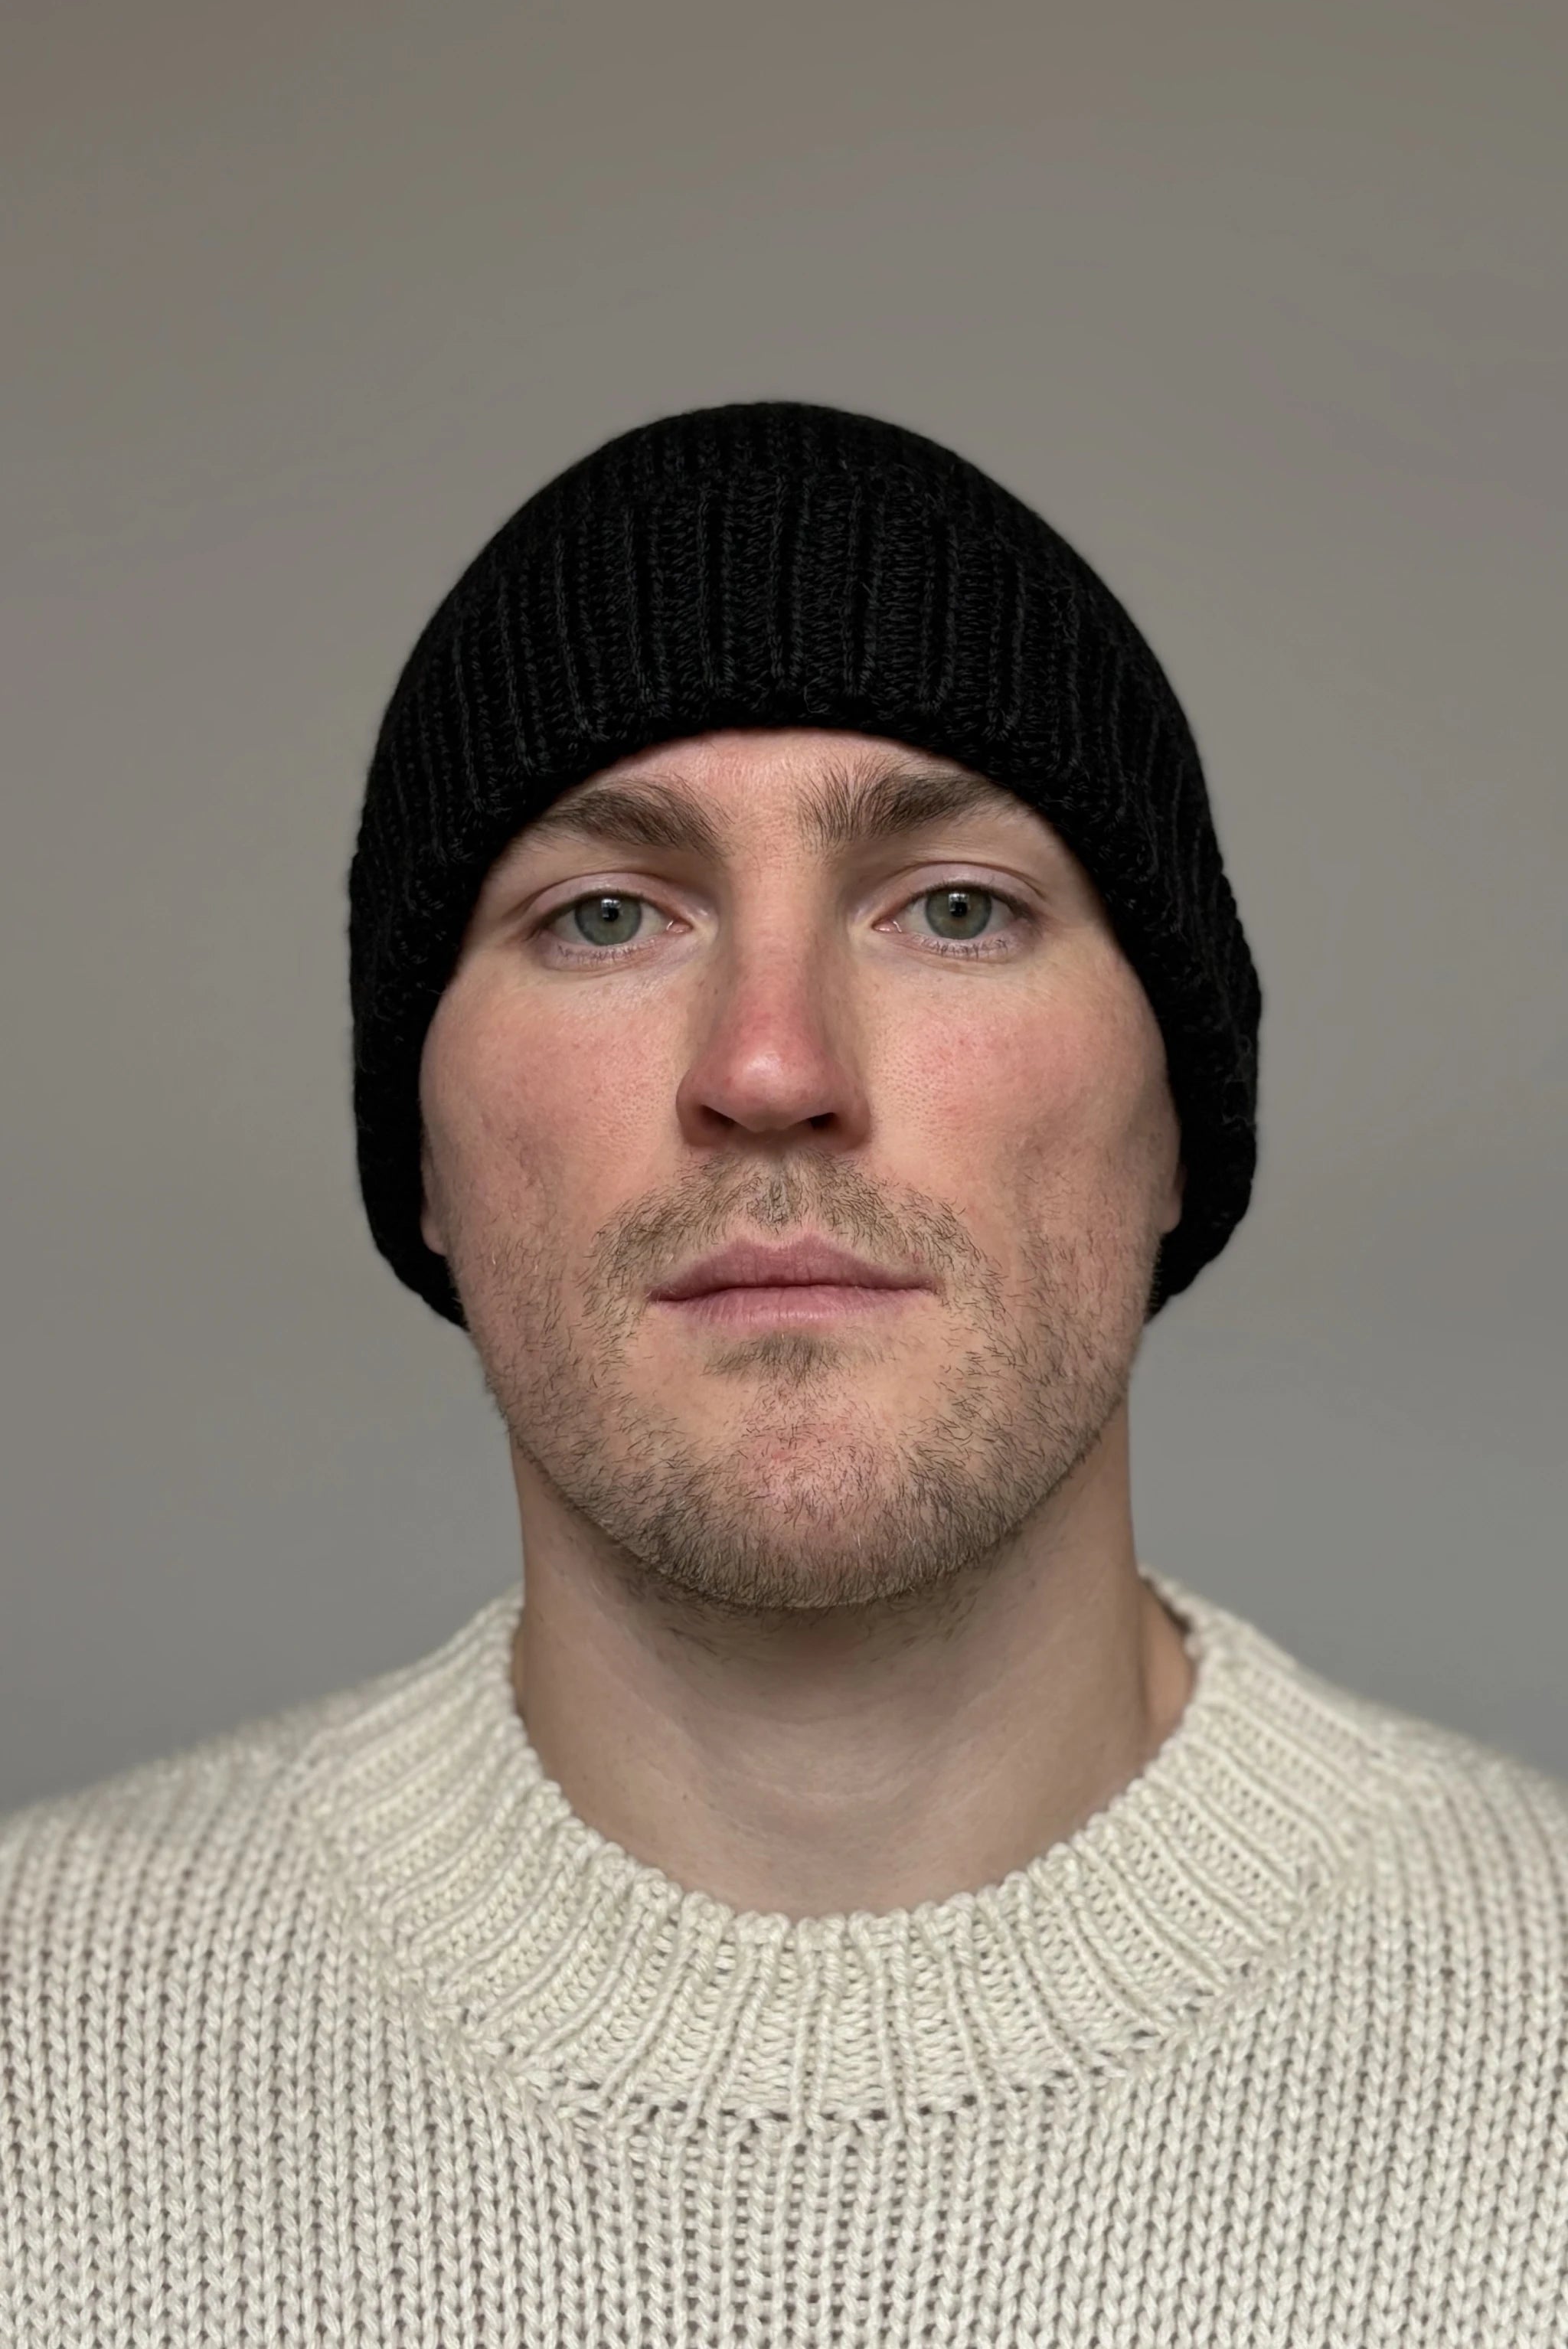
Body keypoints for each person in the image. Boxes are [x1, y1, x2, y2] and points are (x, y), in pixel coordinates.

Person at [2, 403, 1564, 2345]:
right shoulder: (35, 2039)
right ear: (421, 1151)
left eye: (956, 909)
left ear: (1179, 1120)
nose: (767, 1066)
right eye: (603, 915)